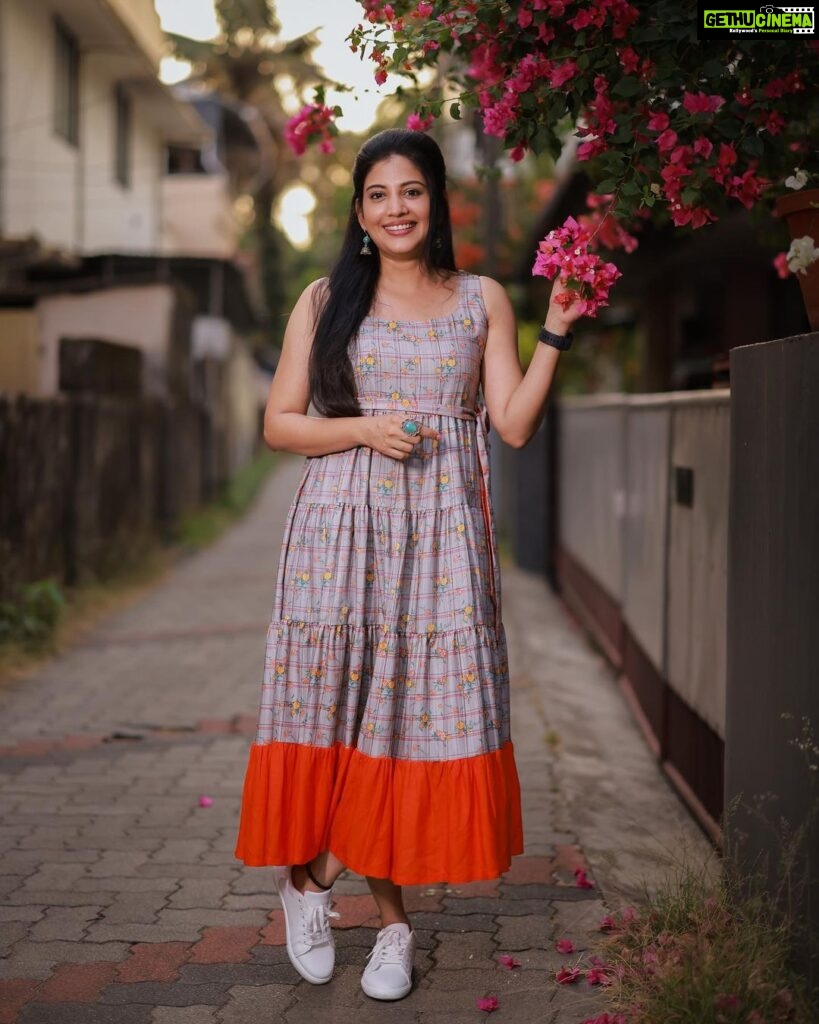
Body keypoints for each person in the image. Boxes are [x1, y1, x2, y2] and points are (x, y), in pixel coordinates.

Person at [234, 128, 581, 1001]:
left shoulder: (481, 301)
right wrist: (360, 427)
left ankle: (343, 901)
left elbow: (510, 424)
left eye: (412, 191)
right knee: (339, 717)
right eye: (379, 195)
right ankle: (346, 906)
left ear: (437, 203)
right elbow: (279, 424)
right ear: (359, 213)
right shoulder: (322, 302)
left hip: (439, 547)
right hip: (337, 538)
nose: (397, 208)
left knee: (405, 726)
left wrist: (557, 336)